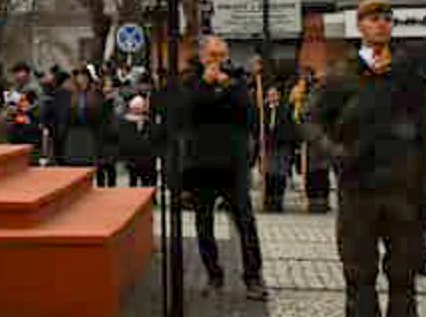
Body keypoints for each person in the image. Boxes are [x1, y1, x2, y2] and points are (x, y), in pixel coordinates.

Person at [309, 0, 426, 317]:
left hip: (402, 191)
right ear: (360, 25)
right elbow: (312, 121)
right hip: (358, 190)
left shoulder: (408, 75)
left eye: (386, 19)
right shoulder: (342, 75)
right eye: (373, 19)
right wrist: (336, 153)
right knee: (359, 275)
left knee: (403, 278)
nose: (381, 25)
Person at [179, 36, 267, 301]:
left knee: (245, 223)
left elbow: (249, 114)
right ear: (202, 56)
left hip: (233, 164)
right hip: (201, 164)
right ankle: (213, 274)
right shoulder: (190, 82)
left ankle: (253, 277)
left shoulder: (237, 81)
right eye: (213, 55)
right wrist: (206, 84)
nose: (217, 61)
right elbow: (185, 112)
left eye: (222, 55)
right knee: (204, 223)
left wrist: (226, 84)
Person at [52, 68, 111, 184]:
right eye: (79, 77)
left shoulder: (96, 94)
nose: (81, 80)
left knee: (91, 168)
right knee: (73, 170)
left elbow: (102, 117)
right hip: (73, 137)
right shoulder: (68, 95)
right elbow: (62, 116)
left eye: (84, 77)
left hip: (90, 135)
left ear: (89, 79)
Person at [261, 85, 301, 213]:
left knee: (280, 175)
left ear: (278, 96)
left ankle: (278, 202)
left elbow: (289, 127)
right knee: (269, 175)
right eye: (269, 95)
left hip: (281, 147)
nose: (271, 97)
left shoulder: (285, 110)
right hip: (268, 147)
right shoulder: (263, 111)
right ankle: (268, 202)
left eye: (274, 95)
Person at [115, 95, 163, 187]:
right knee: (136, 181)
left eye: (139, 108)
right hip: (135, 157)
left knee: (142, 181)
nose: (138, 111)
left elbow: (155, 135)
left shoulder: (147, 121)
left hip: (144, 158)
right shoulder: (125, 122)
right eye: (136, 108)